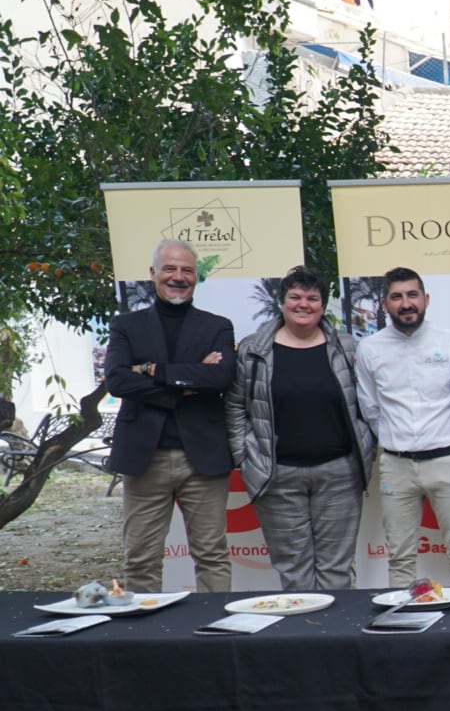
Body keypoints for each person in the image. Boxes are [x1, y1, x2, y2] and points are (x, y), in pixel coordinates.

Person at [225, 267, 376, 591]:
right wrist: (244, 458)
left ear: (323, 305)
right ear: (282, 302)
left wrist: (367, 445)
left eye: (312, 298)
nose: (303, 304)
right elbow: (236, 406)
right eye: (295, 297)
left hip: (339, 473)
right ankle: (304, 638)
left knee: (336, 570)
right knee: (294, 571)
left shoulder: (347, 348)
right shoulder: (253, 350)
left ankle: (335, 637)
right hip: (277, 475)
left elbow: (367, 405)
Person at [104, 238, 238, 592]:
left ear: (196, 277)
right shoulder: (125, 326)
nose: (178, 277)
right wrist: (189, 381)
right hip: (144, 456)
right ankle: (145, 642)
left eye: (187, 270)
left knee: (212, 555)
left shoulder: (218, 326)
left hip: (203, 458)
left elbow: (221, 377)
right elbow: (117, 380)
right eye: (170, 269)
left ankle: (214, 639)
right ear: (153, 274)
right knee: (141, 558)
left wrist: (150, 370)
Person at [354, 266, 450, 587]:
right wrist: (398, 440)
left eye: (412, 295)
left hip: (448, 461)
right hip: (396, 464)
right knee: (399, 555)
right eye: (397, 297)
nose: (406, 303)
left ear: (426, 299)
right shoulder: (370, 349)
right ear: (385, 304)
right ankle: (402, 629)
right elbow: (371, 408)